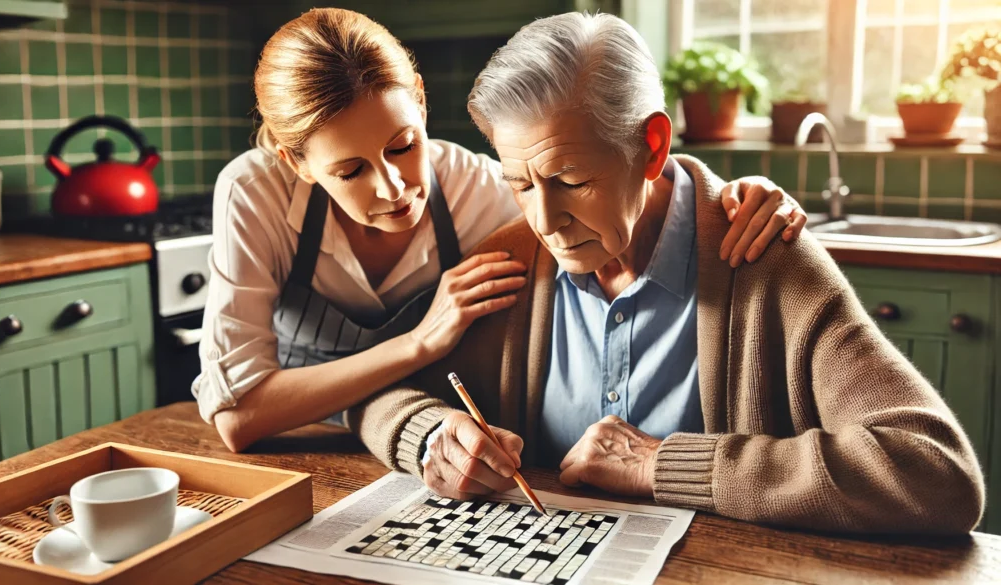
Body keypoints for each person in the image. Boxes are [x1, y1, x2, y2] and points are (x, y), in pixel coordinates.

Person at [347, 12, 985, 535]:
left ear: (652, 146)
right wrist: (431, 436)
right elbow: (374, 391)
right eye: (519, 183)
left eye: (571, 180)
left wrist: (666, 465)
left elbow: (938, 474)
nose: (545, 219)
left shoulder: (763, 257)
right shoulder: (513, 260)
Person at [192, 8, 806, 453]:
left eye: (404, 145)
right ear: (295, 163)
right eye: (350, 170)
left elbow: (612, 176)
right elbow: (239, 419)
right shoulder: (254, 194)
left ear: (422, 109)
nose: (393, 186)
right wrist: (420, 344)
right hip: (297, 453)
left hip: (400, 446)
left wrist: (731, 195)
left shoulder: (482, 187)